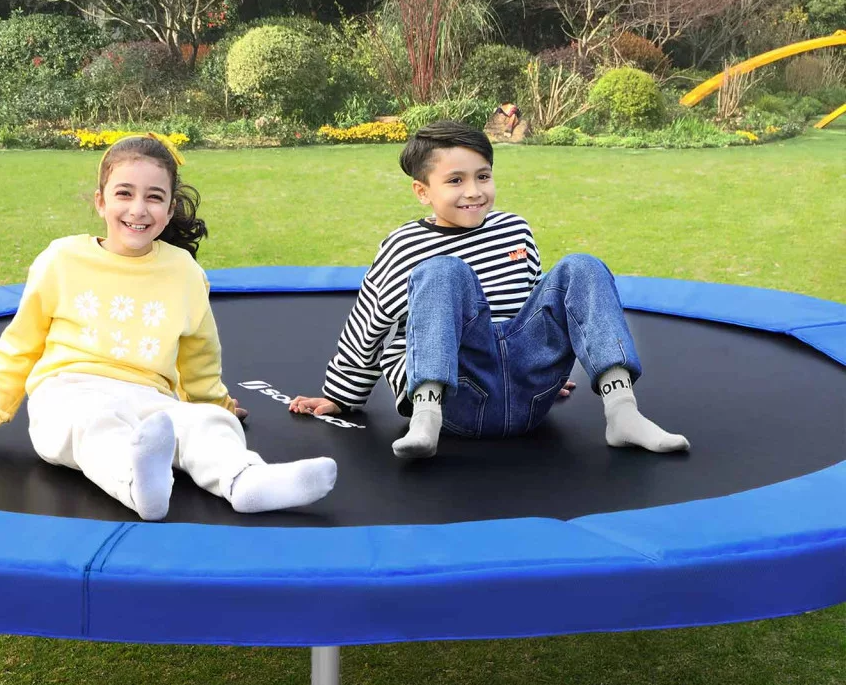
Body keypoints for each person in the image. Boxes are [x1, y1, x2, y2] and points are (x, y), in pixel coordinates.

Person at [0, 134, 337, 519]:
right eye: (124, 194)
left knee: (203, 426)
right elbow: (20, 344)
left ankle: (246, 481)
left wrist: (218, 408)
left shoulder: (183, 271)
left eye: (154, 197)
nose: (139, 209)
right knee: (95, 425)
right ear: (101, 201)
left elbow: (200, 357)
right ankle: (136, 481)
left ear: (170, 208)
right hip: (67, 392)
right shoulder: (62, 259)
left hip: (149, 397)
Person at [290, 120, 689, 459]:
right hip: (458, 399)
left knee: (582, 266)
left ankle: (622, 412)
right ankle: (426, 417)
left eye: (483, 176)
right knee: (443, 270)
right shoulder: (403, 246)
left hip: (529, 396)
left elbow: (537, 305)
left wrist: (542, 363)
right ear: (422, 191)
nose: (474, 191)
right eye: (455, 180)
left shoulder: (515, 229)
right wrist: (342, 396)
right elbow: (368, 325)